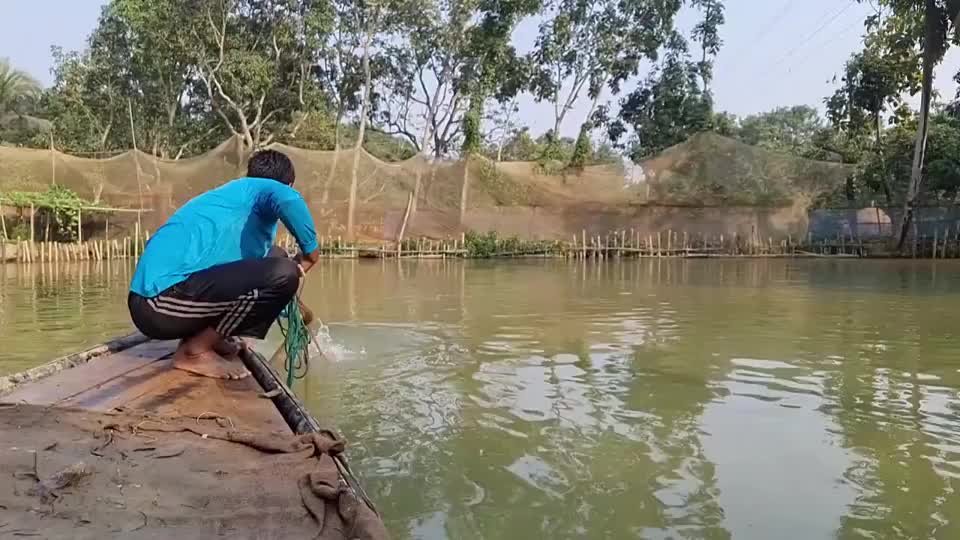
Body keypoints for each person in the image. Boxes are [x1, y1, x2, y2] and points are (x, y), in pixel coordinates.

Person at [128, 150, 320, 379]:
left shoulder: (235, 200)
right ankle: (194, 352)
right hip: (157, 304)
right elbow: (288, 198)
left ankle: (214, 339)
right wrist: (311, 255)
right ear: (289, 183)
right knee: (284, 272)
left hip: (162, 300)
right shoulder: (269, 190)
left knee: (277, 259)